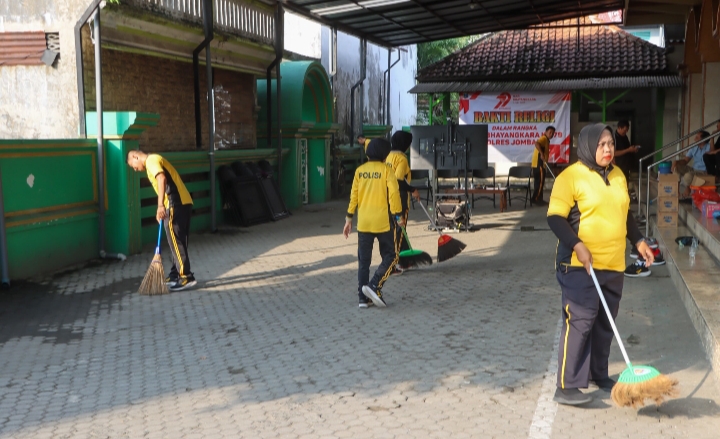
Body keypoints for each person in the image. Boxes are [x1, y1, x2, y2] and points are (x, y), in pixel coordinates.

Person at [546, 123, 654, 406]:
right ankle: (567, 386)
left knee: (605, 322)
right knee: (581, 320)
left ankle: (598, 374)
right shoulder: (570, 176)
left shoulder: (618, 175)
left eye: (611, 144)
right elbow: (555, 218)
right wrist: (577, 245)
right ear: (588, 146)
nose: (608, 149)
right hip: (579, 264)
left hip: (613, 264)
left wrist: (639, 241)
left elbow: (625, 213)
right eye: (602, 144)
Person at [343, 138, 403, 309]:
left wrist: (349, 219)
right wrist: (398, 215)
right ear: (384, 155)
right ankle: (374, 284)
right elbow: (394, 194)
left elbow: (354, 196)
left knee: (364, 262)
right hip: (383, 222)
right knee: (391, 256)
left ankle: (363, 299)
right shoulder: (387, 170)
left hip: (364, 223)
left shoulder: (359, 171)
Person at [127, 150, 197, 291]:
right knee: (177, 241)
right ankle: (175, 274)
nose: (135, 169)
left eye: (133, 166)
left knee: (176, 241)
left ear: (135, 156)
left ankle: (185, 276)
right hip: (183, 202)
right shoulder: (154, 160)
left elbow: (161, 179)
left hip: (175, 203)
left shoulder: (151, 160)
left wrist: (160, 206)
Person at [386, 131, 421, 270]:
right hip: (399, 199)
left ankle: (406, 260)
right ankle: (397, 262)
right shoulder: (402, 159)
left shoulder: (387, 156)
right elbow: (398, 181)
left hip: (387, 199)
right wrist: (413, 189)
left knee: (396, 230)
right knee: (400, 230)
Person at [672, 131, 712, 198]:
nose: (694, 139)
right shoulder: (694, 147)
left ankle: (688, 188)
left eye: (697, 137)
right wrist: (676, 162)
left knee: (688, 176)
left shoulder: (710, 147)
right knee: (677, 167)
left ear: (703, 140)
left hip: (703, 172)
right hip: (694, 169)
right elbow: (685, 161)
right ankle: (676, 191)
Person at [613, 120, 640, 199]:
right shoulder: (614, 138)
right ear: (619, 128)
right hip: (618, 166)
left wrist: (632, 149)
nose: (626, 132)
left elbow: (627, 148)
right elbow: (614, 153)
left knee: (625, 185)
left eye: (627, 130)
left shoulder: (625, 137)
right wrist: (628, 150)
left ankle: (625, 202)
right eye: (624, 130)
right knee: (618, 185)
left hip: (626, 166)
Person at [532, 126, 555, 205]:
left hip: (537, 165)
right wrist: (542, 154)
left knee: (539, 183)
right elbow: (536, 143)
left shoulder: (546, 140)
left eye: (553, 133)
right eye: (550, 132)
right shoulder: (544, 138)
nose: (551, 134)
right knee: (540, 183)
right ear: (545, 132)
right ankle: (536, 199)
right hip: (539, 164)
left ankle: (537, 199)